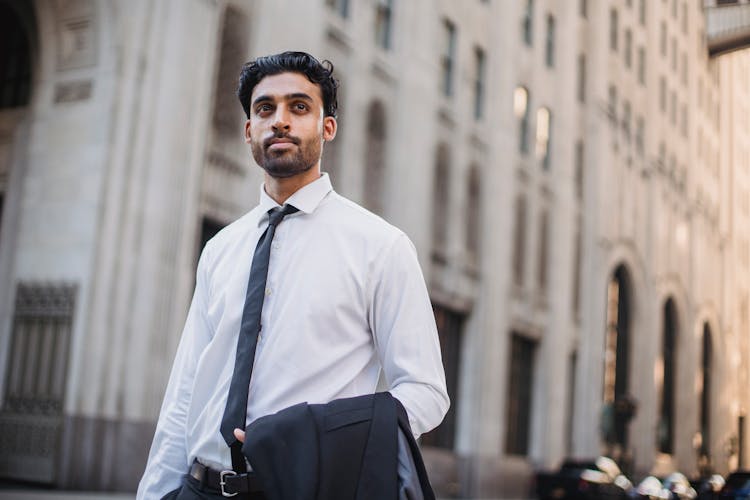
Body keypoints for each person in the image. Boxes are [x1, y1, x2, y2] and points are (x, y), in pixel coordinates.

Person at [137, 51, 449, 499]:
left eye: (299, 107)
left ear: (328, 127)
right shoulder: (221, 248)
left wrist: (317, 436)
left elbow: (425, 393)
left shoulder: (382, 246)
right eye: (265, 109)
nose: (280, 121)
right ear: (249, 131)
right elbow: (187, 388)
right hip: (199, 488)